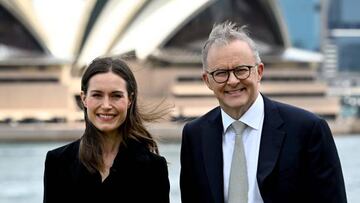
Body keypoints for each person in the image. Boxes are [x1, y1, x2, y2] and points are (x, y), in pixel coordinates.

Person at [180, 21, 347, 203]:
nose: (233, 81)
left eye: (241, 70)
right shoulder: (195, 135)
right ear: (207, 80)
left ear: (259, 71)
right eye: (221, 73)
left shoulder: (307, 130)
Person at [43, 57, 170, 203]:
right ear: (84, 98)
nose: (106, 105)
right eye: (97, 95)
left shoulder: (153, 168)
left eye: (116, 96)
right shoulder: (58, 162)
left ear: (130, 99)